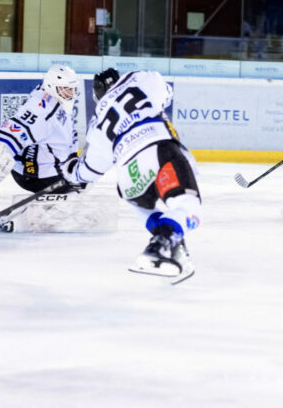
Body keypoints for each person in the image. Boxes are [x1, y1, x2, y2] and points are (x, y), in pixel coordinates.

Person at [69, 69, 202, 282]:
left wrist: (72, 172)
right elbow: (167, 94)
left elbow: (91, 171)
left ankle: (176, 249)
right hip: (158, 150)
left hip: (127, 173)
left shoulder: (96, 124)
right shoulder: (139, 77)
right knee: (189, 207)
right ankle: (158, 248)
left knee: (145, 208)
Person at [0, 65, 104, 232]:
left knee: (83, 173)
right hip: (37, 175)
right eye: (66, 89)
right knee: (84, 178)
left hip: (38, 169)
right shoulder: (42, 108)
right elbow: (15, 130)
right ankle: (35, 216)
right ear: (53, 86)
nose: (70, 93)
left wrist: (72, 157)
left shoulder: (51, 96)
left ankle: (48, 208)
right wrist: (0, 156)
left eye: (72, 89)